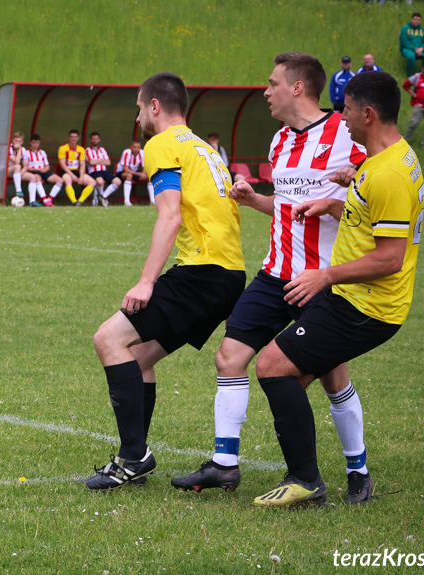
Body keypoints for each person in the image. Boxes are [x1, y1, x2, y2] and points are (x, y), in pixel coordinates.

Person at [171, 53, 373, 505]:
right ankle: (225, 465)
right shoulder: (281, 140)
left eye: (272, 83)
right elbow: (285, 205)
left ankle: (357, 470)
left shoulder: (346, 133)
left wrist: (355, 175)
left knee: (331, 376)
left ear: (298, 87)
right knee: (229, 356)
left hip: (322, 278)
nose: (265, 91)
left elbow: (374, 189)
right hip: (275, 273)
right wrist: (253, 198)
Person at [253, 71, 424, 508]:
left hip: (365, 305)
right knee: (311, 376)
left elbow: (390, 258)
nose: (341, 117)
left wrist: (324, 275)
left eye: (346, 109)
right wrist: (336, 202)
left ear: (367, 114)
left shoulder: (387, 174)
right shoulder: (388, 159)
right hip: (351, 296)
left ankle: (305, 481)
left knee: (273, 367)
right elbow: (373, 213)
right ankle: (356, 473)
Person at [85, 72, 246, 491]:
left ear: (154, 106)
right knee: (138, 358)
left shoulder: (161, 144)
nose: (138, 116)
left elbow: (170, 215)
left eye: (139, 107)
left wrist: (145, 281)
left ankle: (133, 457)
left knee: (108, 339)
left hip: (201, 271)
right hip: (229, 274)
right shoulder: (205, 149)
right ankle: (133, 454)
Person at [106, 141, 155, 206]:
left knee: (149, 177)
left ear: (140, 147)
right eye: (134, 147)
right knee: (129, 176)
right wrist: (140, 174)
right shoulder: (126, 152)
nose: (136, 149)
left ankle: (152, 201)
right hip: (122, 172)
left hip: (135, 172)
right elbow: (126, 169)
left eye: (138, 147)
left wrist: (143, 173)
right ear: (131, 147)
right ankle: (127, 201)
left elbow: (144, 166)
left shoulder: (142, 152)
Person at [56, 129, 96, 206]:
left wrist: (81, 176)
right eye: (71, 137)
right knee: (68, 180)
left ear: (78, 138)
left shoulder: (81, 149)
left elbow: (82, 164)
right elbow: (62, 164)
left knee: (92, 182)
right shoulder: (63, 148)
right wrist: (72, 175)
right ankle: (74, 201)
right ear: (68, 137)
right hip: (66, 171)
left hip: (77, 171)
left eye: (75, 137)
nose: (73, 139)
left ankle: (80, 201)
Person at [22, 134, 57, 206]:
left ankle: (49, 199)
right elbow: (25, 166)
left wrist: (44, 170)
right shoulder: (26, 152)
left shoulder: (42, 152)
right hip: (33, 171)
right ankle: (45, 201)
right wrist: (35, 169)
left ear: (39, 143)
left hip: (43, 171)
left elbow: (47, 166)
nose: (35, 145)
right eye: (34, 143)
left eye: (37, 143)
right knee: (37, 177)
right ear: (30, 143)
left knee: (59, 180)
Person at [85, 132, 117, 207]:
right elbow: (91, 162)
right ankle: (102, 197)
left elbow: (108, 162)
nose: (95, 140)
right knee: (100, 181)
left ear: (99, 140)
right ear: (91, 140)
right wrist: (101, 160)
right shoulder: (87, 150)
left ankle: (103, 196)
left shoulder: (102, 149)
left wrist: (96, 161)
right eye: (93, 139)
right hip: (94, 171)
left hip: (103, 171)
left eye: (96, 139)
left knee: (117, 181)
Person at [400, 13, 424, 78]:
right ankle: (410, 77)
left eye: (419, 20)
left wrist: (422, 48)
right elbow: (404, 42)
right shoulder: (405, 28)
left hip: (421, 49)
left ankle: (418, 75)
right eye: (415, 19)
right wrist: (415, 49)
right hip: (408, 48)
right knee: (411, 57)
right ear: (411, 19)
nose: (417, 21)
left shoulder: (422, 30)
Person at [7, 132, 25, 199]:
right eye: (16, 141)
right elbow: (16, 161)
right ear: (12, 140)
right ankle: (19, 190)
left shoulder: (24, 150)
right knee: (17, 166)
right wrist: (19, 150)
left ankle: (32, 201)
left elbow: (25, 165)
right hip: (7, 171)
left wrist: (21, 174)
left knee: (34, 177)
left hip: (17, 172)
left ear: (22, 142)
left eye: (19, 141)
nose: (17, 143)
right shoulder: (9, 147)